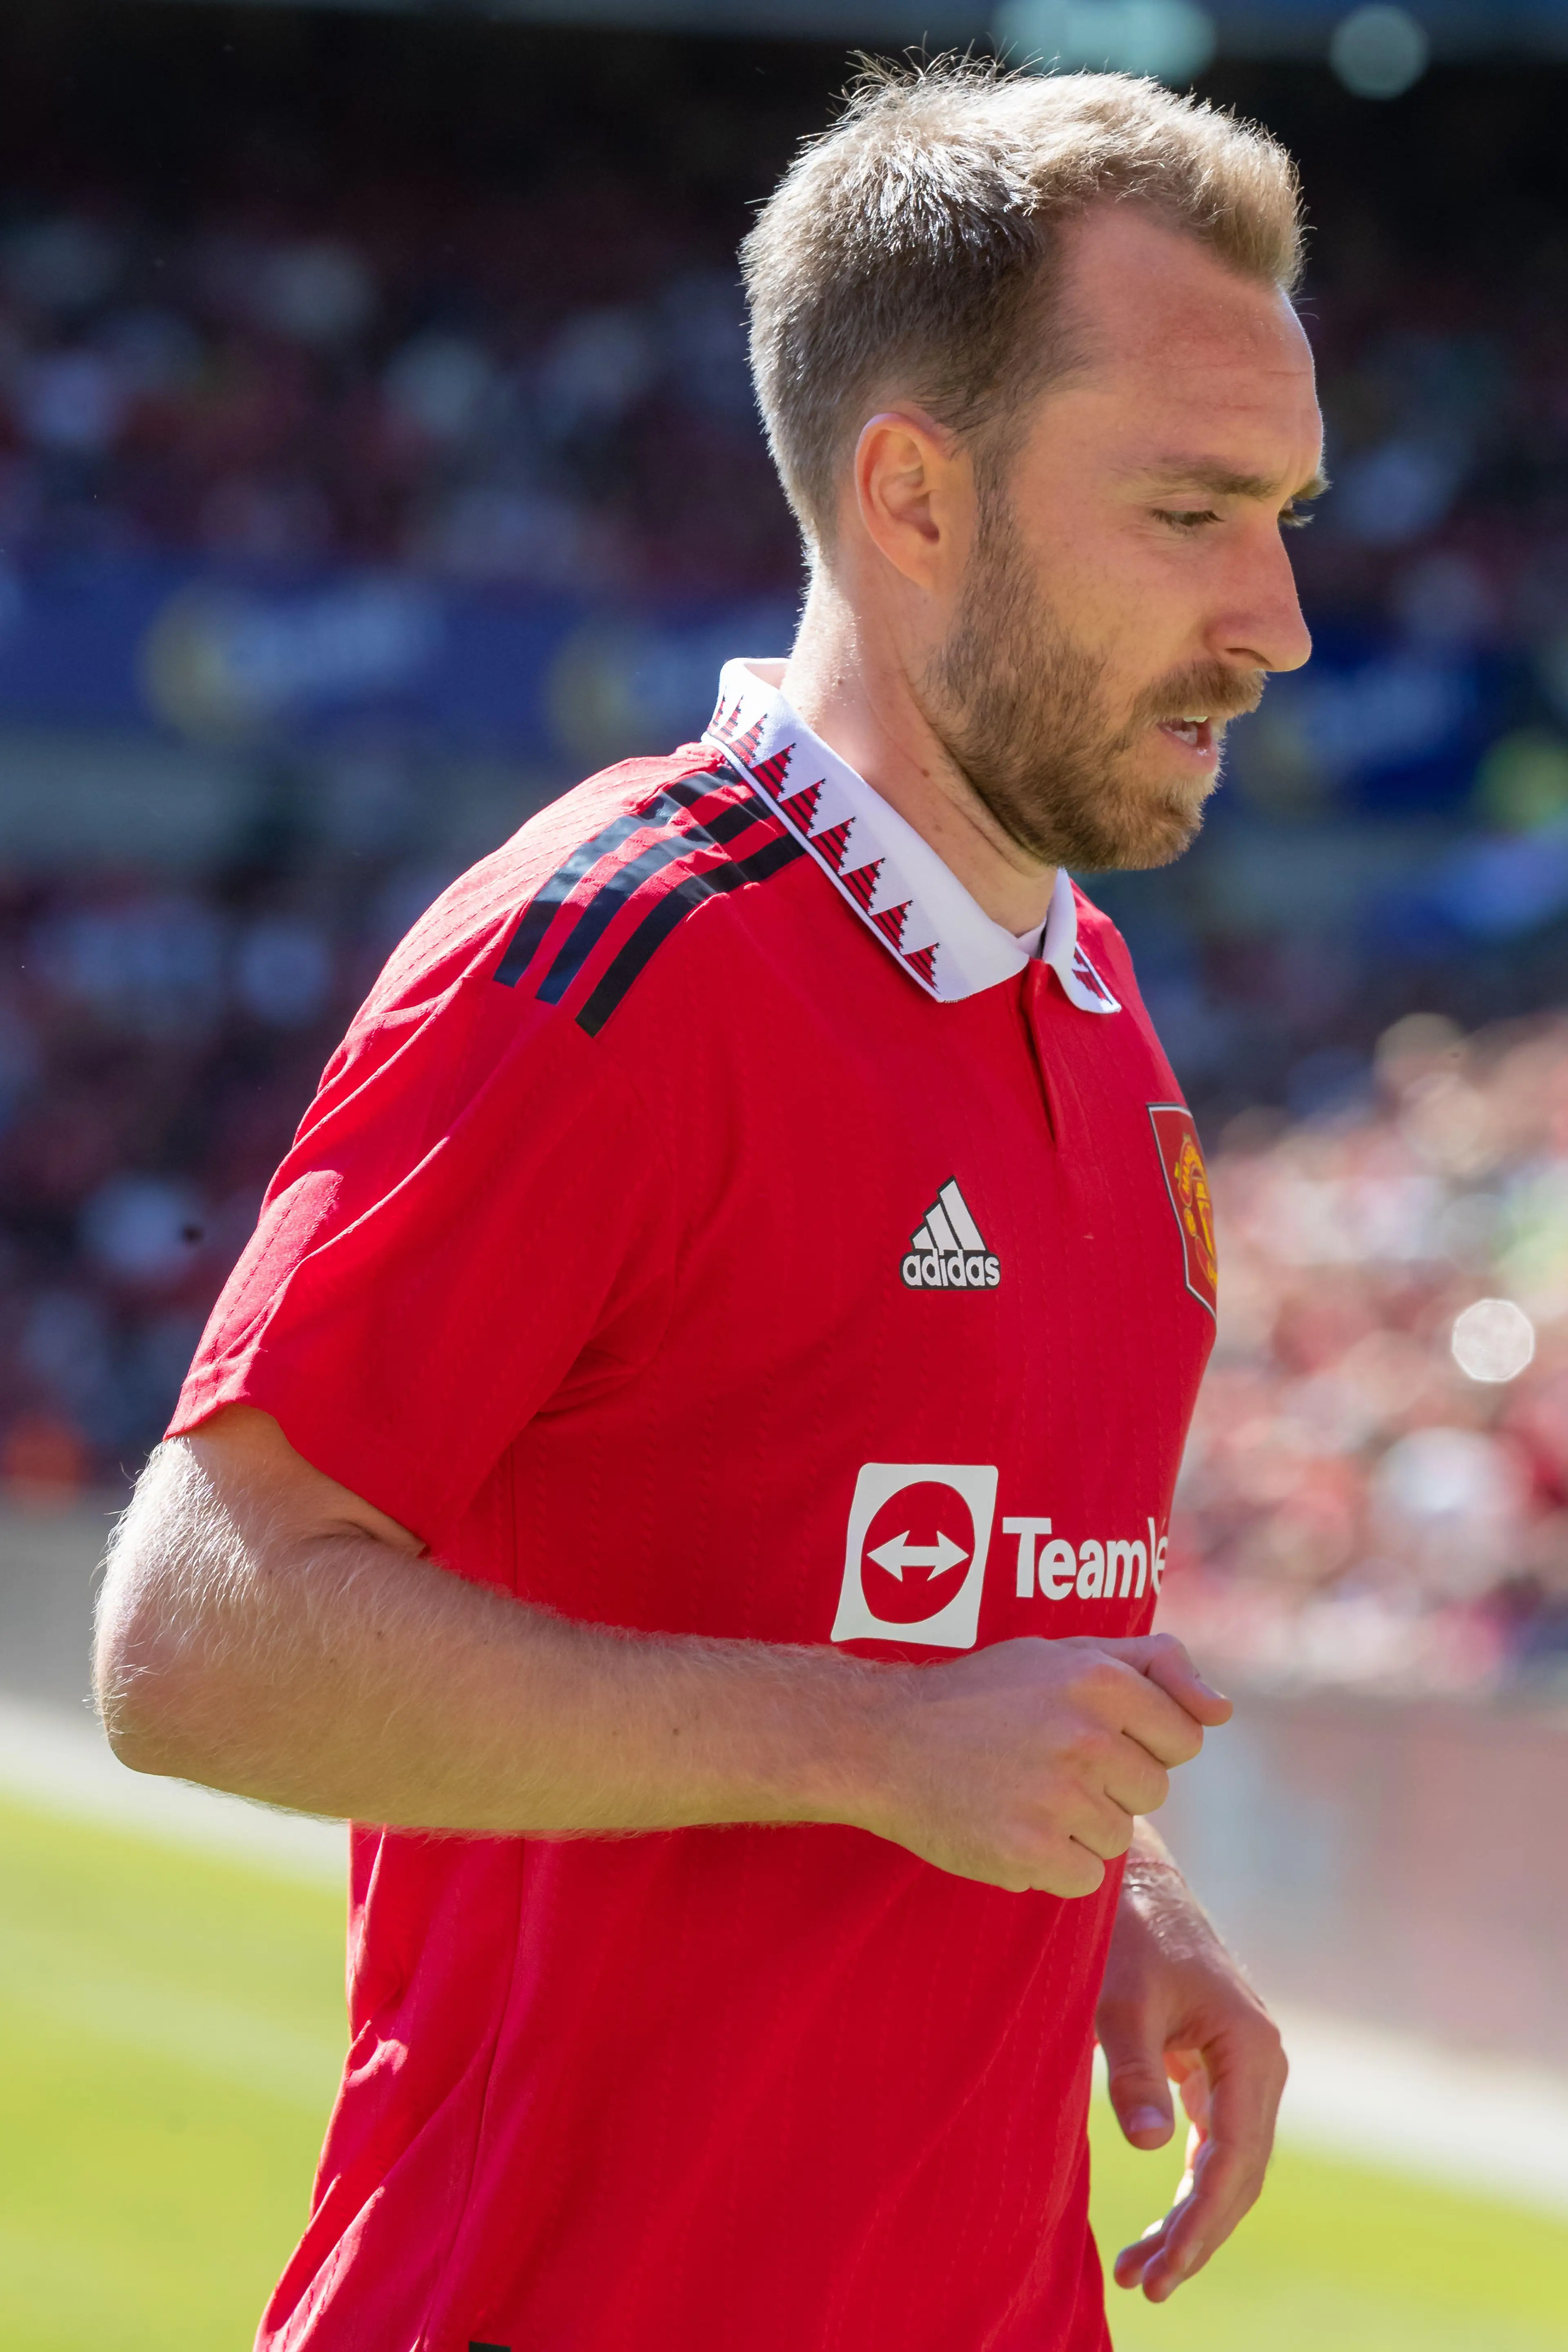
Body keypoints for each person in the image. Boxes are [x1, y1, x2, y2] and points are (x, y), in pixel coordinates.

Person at [95, 58, 1320, 2352]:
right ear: (914, 497)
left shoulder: (1105, 1005)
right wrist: (873, 1748)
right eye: (1190, 514)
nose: (1278, 618)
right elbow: (194, 1640)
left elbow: (921, 1633)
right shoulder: (615, 954)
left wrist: (1104, 1889)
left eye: (1291, 517)